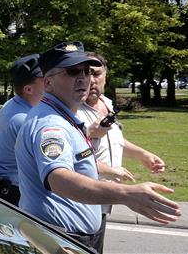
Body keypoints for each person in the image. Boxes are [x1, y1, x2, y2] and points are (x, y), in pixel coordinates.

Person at [15, 42, 180, 253]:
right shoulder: (51, 125)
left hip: (65, 236)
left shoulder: (63, 117)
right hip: (58, 239)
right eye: (72, 71)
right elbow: (59, 179)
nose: (84, 78)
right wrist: (125, 194)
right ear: (47, 83)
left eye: (87, 71)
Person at [76, 52, 166, 252]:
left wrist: (142, 154)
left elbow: (115, 140)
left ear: (106, 76)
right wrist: (92, 135)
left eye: (96, 74)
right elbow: (71, 156)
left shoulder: (106, 103)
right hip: (81, 197)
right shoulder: (72, 110)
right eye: (84, 73)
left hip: (104, 197)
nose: (90, 80)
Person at [0, 53, 44, 204]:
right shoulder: (25, 120)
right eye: (45, 79)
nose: (52, 81)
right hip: (9, 195)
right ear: (29, 89)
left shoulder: (14, 104)